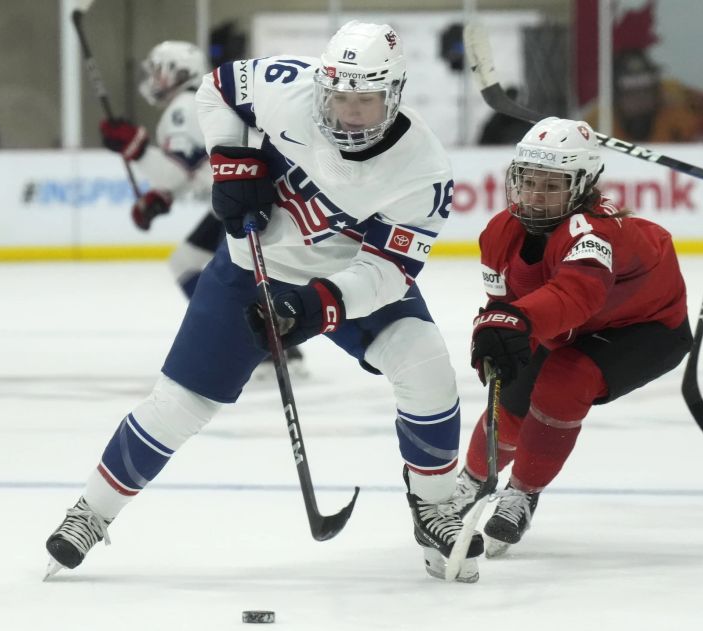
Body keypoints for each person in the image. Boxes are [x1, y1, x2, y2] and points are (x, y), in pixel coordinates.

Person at [44, 20, 484, 582]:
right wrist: (232, 159)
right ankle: (92, 511)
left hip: (345, 280)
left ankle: (433, 508)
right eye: (339, 98)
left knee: (425, 363)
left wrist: (318, 304)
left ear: (395, 95)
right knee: (178, 405)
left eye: (366, 102)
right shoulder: (290, 88)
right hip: (247, 268)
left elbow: (390, 270)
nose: (348, 114)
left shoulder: (425, 171)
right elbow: (218, 88)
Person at [449, 117, 693, 557]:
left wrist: (516, 324)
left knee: (566, 380)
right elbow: (505, 307)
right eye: (528, 181)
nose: (536, 195)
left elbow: (575, 296)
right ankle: (469, 481)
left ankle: (522, 493)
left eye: (552, 184)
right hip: (568, 325)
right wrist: (495, 332)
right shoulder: (498, 233)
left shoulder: (596, 232)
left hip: (646, 328)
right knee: (513, 399)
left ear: (582, 185)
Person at [98, 40, 305, 375]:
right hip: (250, 195)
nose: (152, 78)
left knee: (221, 272)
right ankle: (275, 345)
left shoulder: (182, 107)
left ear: (175, 72)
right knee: (197, 264)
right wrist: (161, 197)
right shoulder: (204, 100)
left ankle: (267, 345)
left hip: (242, 201)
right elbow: (196, 169)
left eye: (157, 70)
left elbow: (175, 171)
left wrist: (135, 149)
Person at [583, 1, 703, 142]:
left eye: (645, 89)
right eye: (631, 92)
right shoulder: (596, 123)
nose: (640, 98)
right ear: (616, 95)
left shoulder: (687, 105)